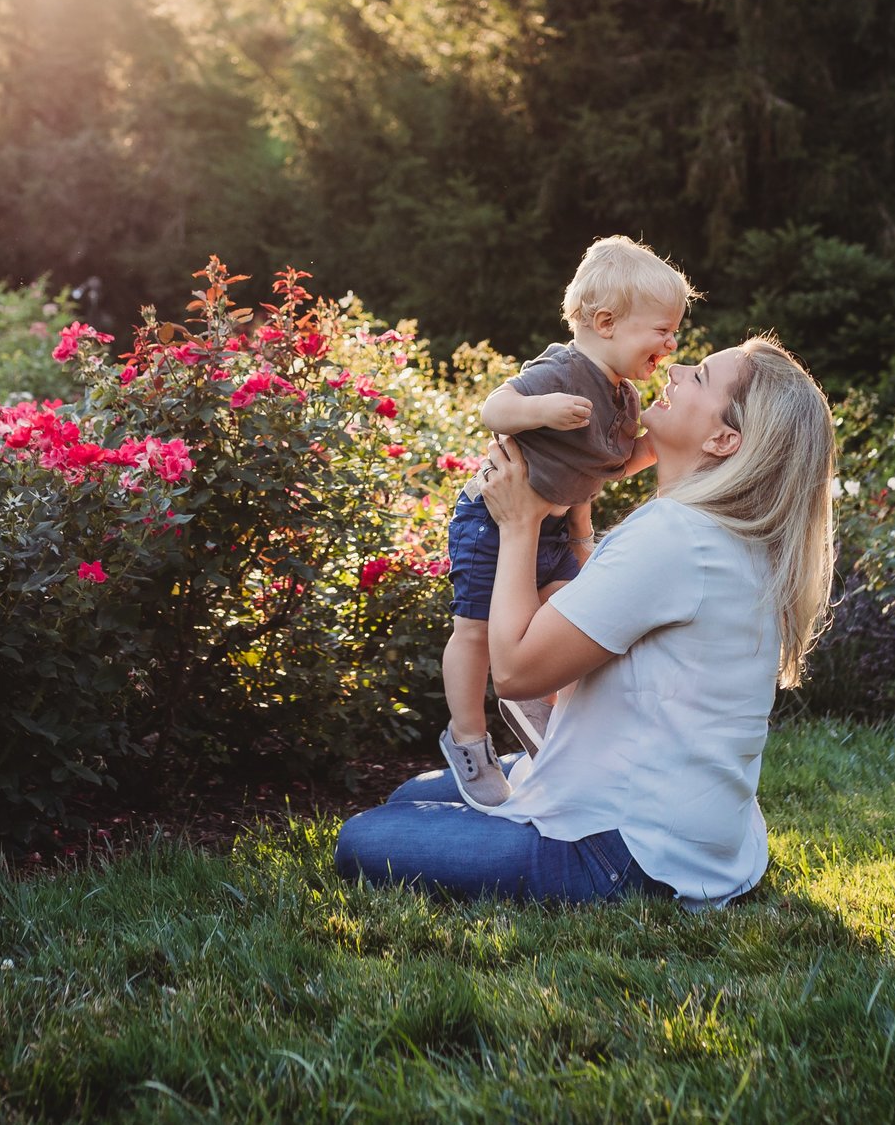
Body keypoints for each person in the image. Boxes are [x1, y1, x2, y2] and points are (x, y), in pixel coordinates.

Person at [335, 336, 836, 906]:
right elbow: (582, 655)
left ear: (725, 439)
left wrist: (519, 524)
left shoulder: (673, 536)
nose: (675, 369)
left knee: (363, 838)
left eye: (698, 377)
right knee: (408, 796)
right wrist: (578, 526)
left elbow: (521, 673)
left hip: (625, 850)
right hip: (704, 839)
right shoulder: (729, 539)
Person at [434, 237, 694, 807]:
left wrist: (665, 443)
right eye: (663, 329)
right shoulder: (565, 369)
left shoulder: (623, 398)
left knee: (565, 619)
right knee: (474, 631)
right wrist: (538, 411)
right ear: (606, 322)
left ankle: (536, 702)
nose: (672, 343)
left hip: (547, 530)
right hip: (492, 520)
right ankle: (467, 738)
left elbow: (614, 464)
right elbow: (493, 409)